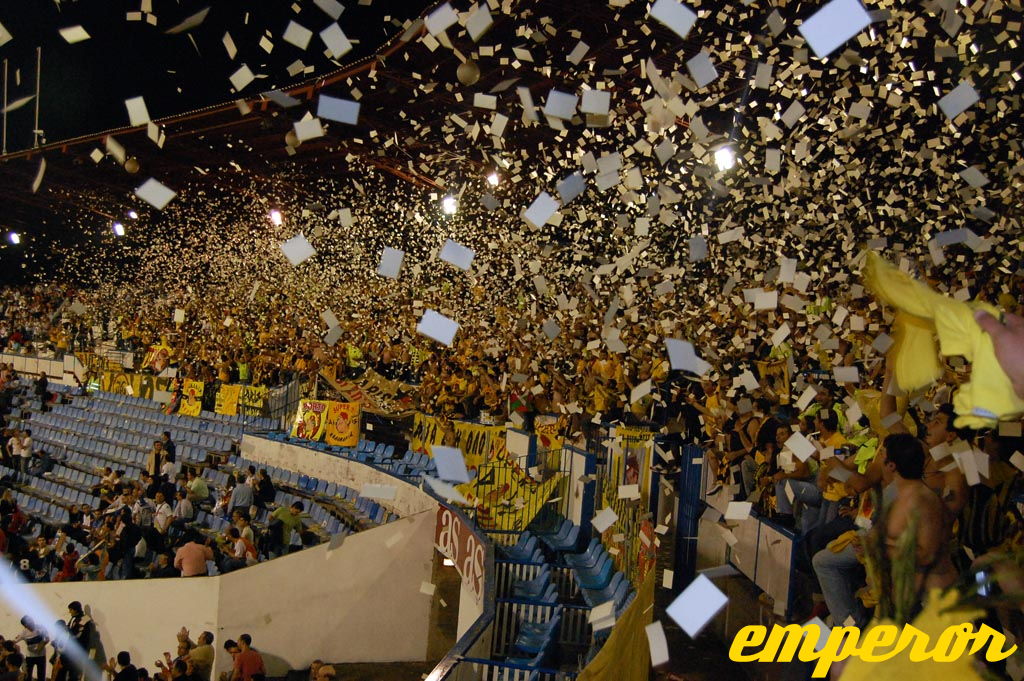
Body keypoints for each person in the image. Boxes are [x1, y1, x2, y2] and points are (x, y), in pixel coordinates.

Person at [14, 617, 47, 681]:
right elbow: (14, 641)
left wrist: (40, 646)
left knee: (41, 676)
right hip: (30, 657)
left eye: (31, 622)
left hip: (41, 656)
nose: (31, 624)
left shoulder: (41, 627)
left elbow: (47, 638)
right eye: (28, 624)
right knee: (27, 676)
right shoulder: (23, 633)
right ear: (25, 626)